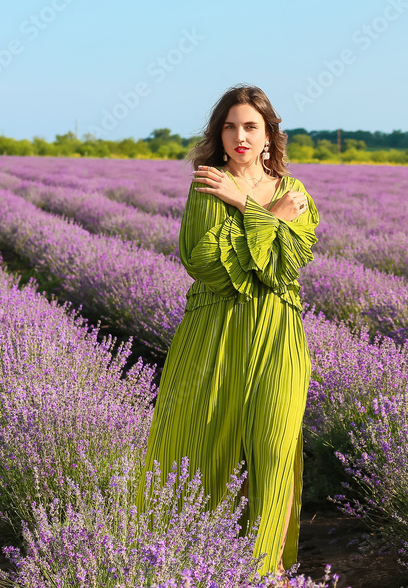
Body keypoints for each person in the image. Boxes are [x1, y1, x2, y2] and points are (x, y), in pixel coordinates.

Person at [135, 84, 319, 582]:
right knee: (203, 445)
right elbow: (208, 265)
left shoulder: (294, 194)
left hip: (279, 334)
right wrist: (265, 220)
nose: (240, 135)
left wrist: (249, 209)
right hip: (215, 332)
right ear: (219, 134)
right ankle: (187, 564)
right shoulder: (207, 185)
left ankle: (269, 574)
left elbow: (284, 269)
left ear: (268, 136)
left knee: (275, 449)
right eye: (231, 125)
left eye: (251, 126)